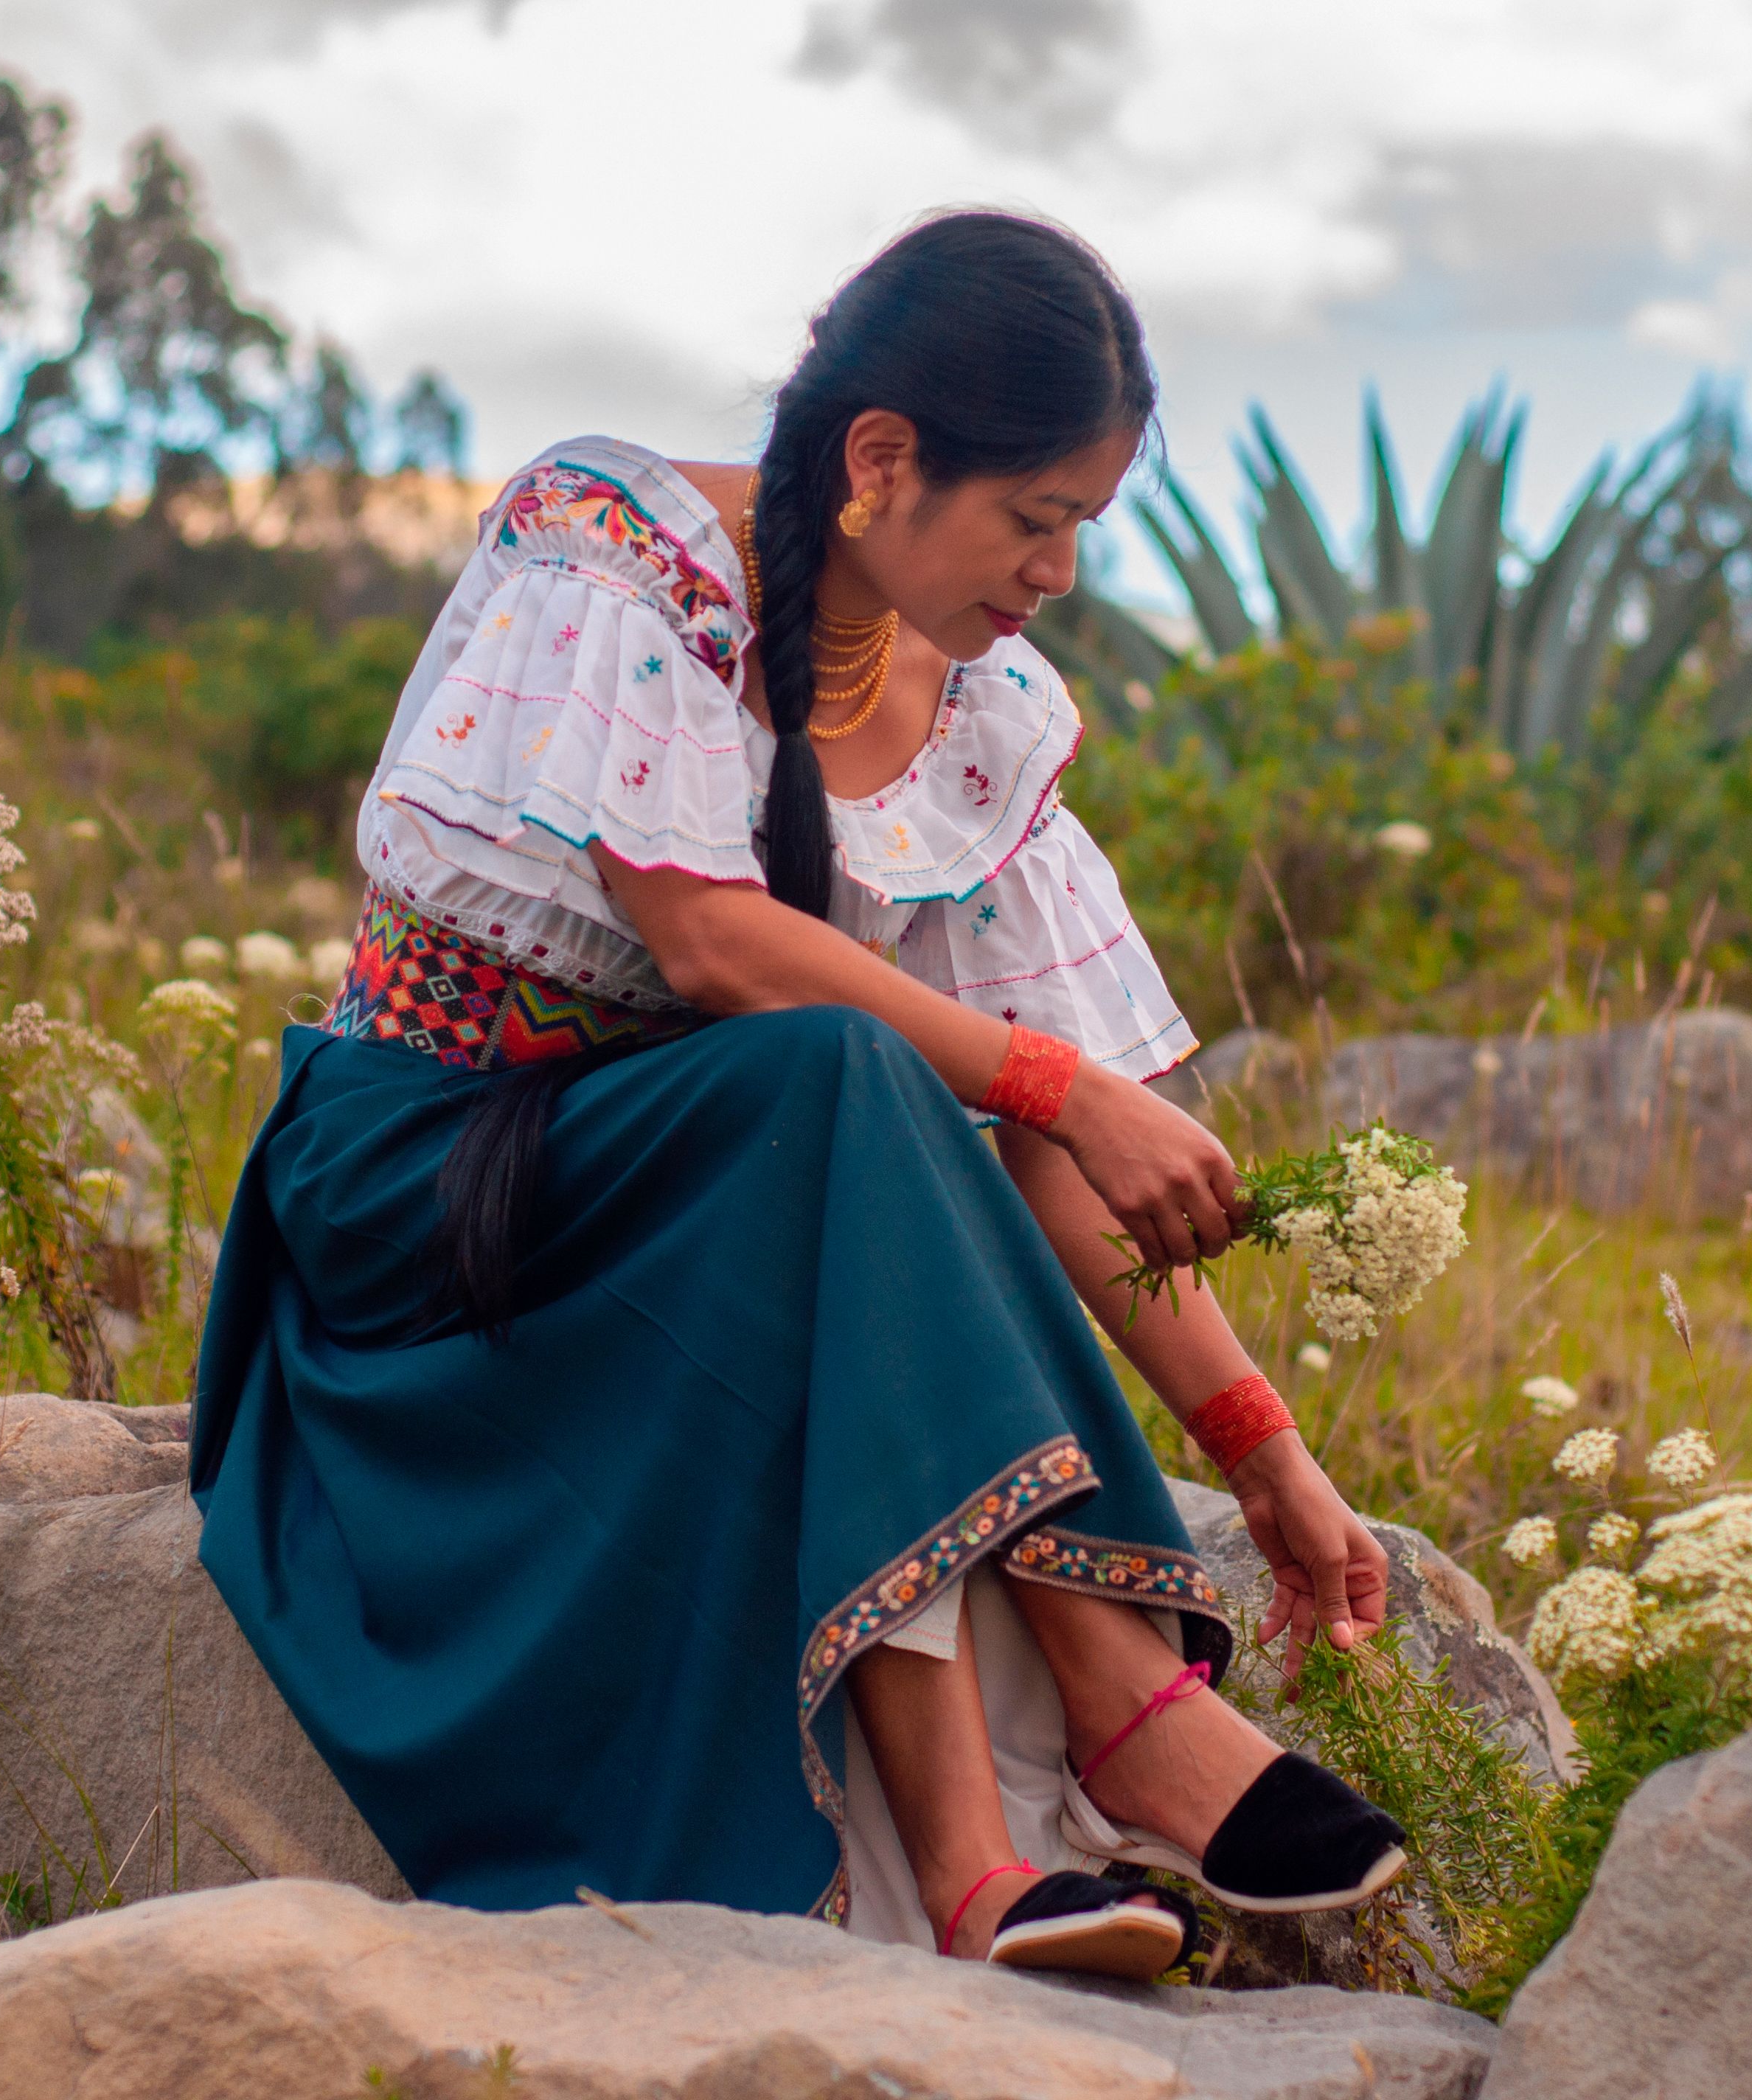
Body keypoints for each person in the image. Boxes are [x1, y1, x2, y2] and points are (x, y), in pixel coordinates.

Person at [192, 211, 1408, 1981]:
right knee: (837, 1064)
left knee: (848, 1096)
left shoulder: (979, 713)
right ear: (882, 458)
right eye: (1035, 516)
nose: (1057, 571)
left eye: (1084, 524)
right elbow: (709, 943)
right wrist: (1062, 1079)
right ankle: (1122, 1697)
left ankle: (986, 1865)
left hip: (729, 1210)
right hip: (434, 1204)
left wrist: (1268, 1453)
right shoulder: (611, 551)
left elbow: (1046, 1152)